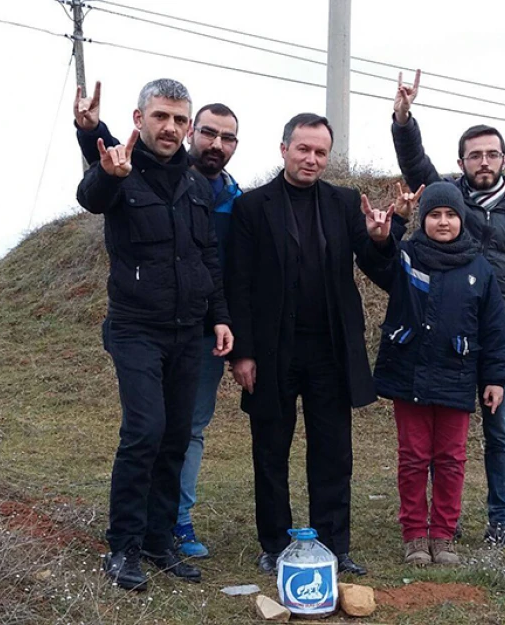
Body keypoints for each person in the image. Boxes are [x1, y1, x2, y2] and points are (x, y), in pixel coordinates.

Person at [391, 70, 505, 551]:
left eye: (491, 154)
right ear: (460, 161)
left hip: (498, 335)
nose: (483, 162)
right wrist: (403, 117)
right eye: (474, 155)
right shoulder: (448, 198)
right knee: (447, 442)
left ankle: (501, 522)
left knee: (499, 434)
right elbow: (412, 159)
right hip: (447, 340)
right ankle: (444, 522)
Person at [76, 78, 233, 591]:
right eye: (161, 116)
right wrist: (103, 165)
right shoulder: (120, 169)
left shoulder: (195, 184)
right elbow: (92, 198)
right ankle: (122, 546)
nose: (170, 127)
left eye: (179, 119)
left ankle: (159, 541)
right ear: (140, 118)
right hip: (135, 329)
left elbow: (207, 256)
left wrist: (221, 317)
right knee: (144, 432)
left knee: (173, 439)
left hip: (189, 332)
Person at [225, 113, 396, 577]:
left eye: (321, 152)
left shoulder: (343, 204)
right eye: (303, 149)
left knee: (334, 451)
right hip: (271, 351)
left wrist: (382, 239)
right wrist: (242, 352)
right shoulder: (252, 207)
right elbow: (237, 283)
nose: (311, 159)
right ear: (284, 149)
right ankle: (274, 542)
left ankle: (335, 545)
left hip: (330, 351)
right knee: (270, 450)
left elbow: (380, 267)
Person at [368, 182, 505, 565]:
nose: (443, 221)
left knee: (451, 460)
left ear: (461, 219)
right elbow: (379, 261)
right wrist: (395, 222)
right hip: (409, 374)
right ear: (424, 218)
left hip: (458, 375)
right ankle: (415, 535)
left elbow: (495, 328)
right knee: (414, 458)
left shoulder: (478, 267)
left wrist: (495, 378)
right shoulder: (406, 256)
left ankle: (444, 535)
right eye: (435, 214)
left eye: (450, 214)